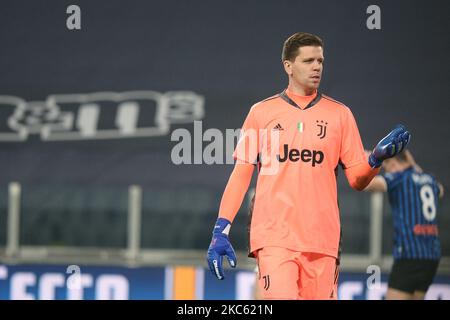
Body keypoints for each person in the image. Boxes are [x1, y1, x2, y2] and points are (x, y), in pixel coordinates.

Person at [206, 32, 411, 300]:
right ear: (288, 66)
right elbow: (241, 175)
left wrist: (375, 160)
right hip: (275, 238)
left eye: (320, 61)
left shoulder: (340, 115)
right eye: (308, 61)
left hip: (323, 242)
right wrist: (221, 230)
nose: (317, 67)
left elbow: (357, 181)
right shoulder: (261, 113)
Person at [364, 150, 444, 300]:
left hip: (409, 255)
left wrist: (367, 162)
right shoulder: (429, 179)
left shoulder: (398, 178)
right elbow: (441, 191)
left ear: (393, 164)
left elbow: (367, 184)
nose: (388, 171)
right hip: (431, 257)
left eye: (387, 167)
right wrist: (413, 165)